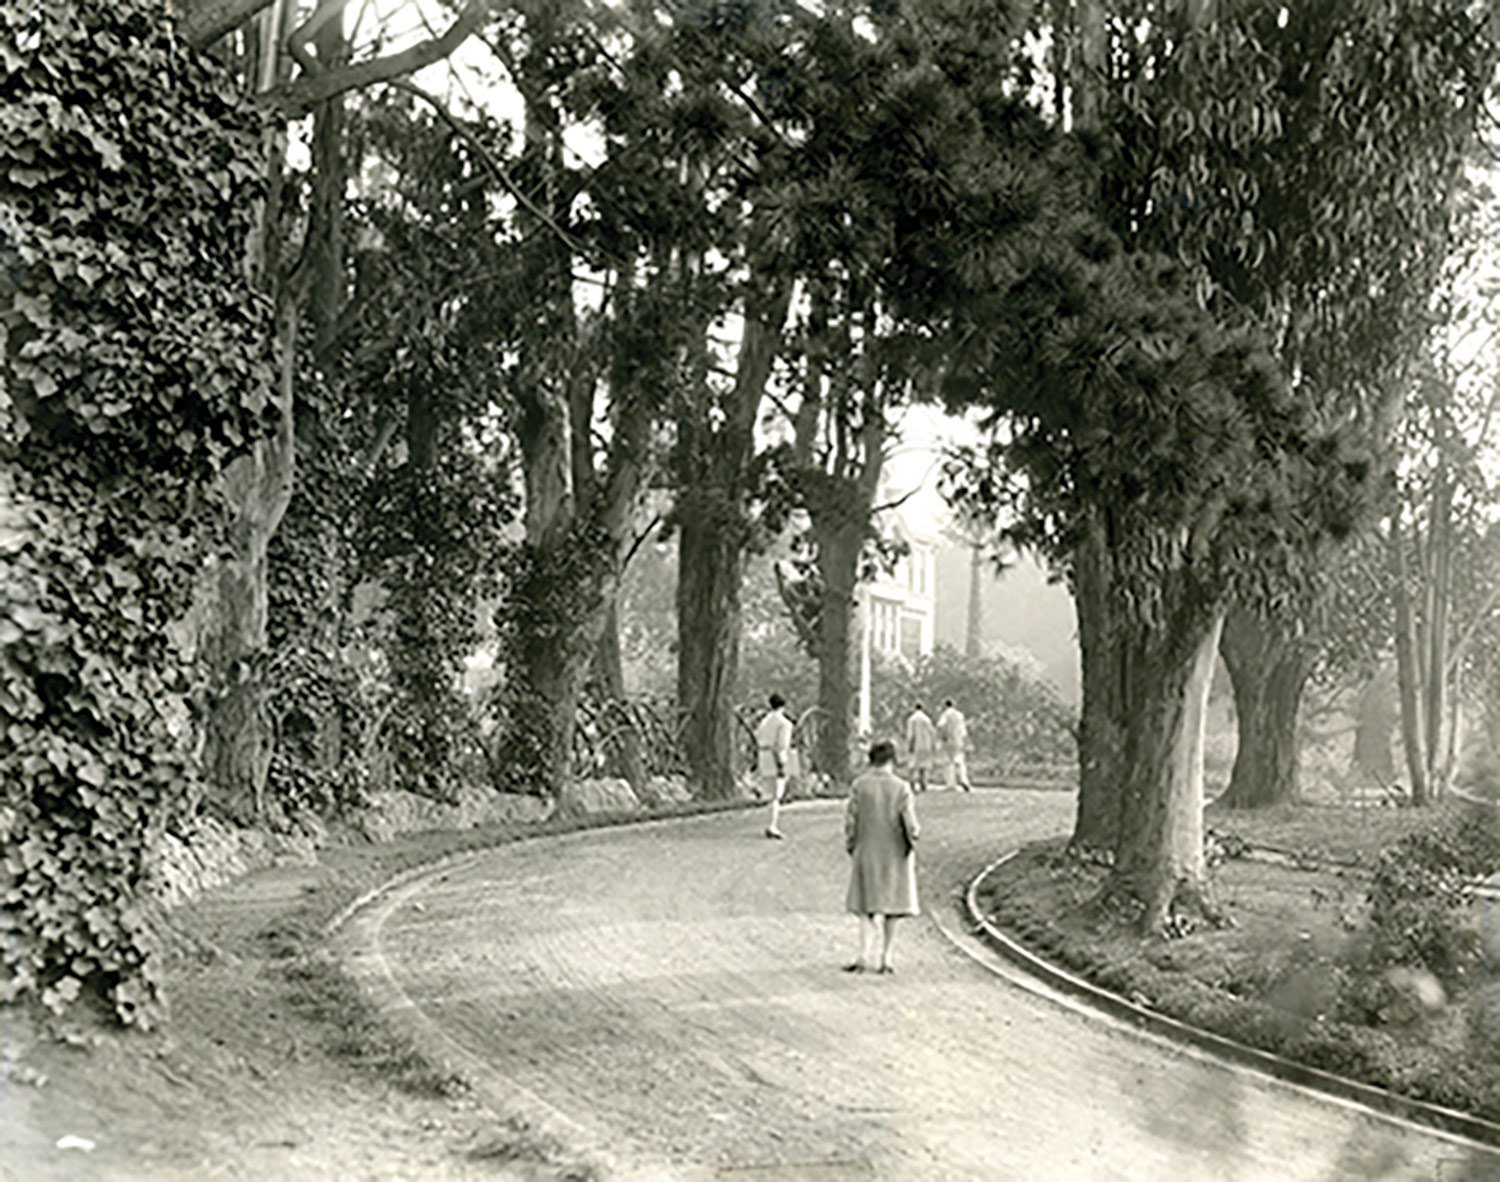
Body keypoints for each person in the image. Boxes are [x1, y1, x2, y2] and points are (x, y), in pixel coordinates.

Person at [843, 739, 919, 974]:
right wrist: (914, 837)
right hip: (895, 851)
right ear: (892, 760)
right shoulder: (901, 788)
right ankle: (886, 957)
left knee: (866, 907)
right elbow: (910, 824)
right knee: (892, 908)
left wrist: (851, 845)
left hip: (866, 850)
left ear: (871, 760)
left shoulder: (859, 786)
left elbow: (850, 821)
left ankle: (863, 955)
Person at [756, 692, 795, 839]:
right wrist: (782, 764)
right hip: (775, 757)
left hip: (763, 755)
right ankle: (772, 825)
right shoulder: (784, 724)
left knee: (769, 791)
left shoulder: (764, 721)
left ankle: (770, 822)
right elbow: (781, 745)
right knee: (776, 794)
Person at [936, 698, 972, 792]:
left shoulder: (945, 715)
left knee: (948, 762)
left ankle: (951, 784)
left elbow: (940, 726)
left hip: (949, 741)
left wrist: (942, 737)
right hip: (959, 741)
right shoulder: (960, 715)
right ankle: (964, 780)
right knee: (960, 761)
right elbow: (964, 731)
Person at [904, 702, 938, 792]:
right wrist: (933, 745)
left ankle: (912, 784)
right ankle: (923, 784)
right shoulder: (927, 719)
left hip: (916, 745)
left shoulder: (912, 719)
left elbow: (911, 734)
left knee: (913, 766)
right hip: (926, 745)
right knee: (924, 766)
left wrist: (910, 745)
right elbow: (932, 732)